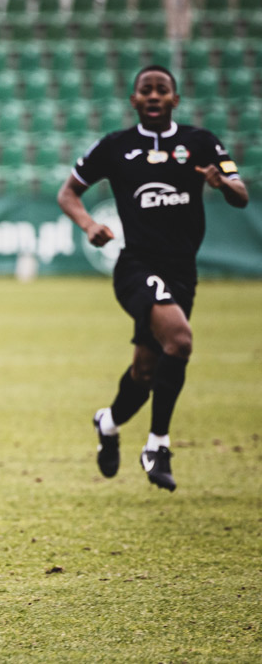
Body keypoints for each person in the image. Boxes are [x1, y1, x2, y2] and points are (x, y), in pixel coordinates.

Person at [57, 65, 249, 492]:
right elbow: (68, 193)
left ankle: (108, 423)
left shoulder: (201, 143)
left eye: (163, 89)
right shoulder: (115, 146)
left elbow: (241, 195)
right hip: (137, 267)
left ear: (175, 100)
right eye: (146, 89)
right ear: (135, 100)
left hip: (182, 271)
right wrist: (89, 224)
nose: (154, 95)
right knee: (180, 341)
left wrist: (221, 183)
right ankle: (158, 445)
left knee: (145, 373)